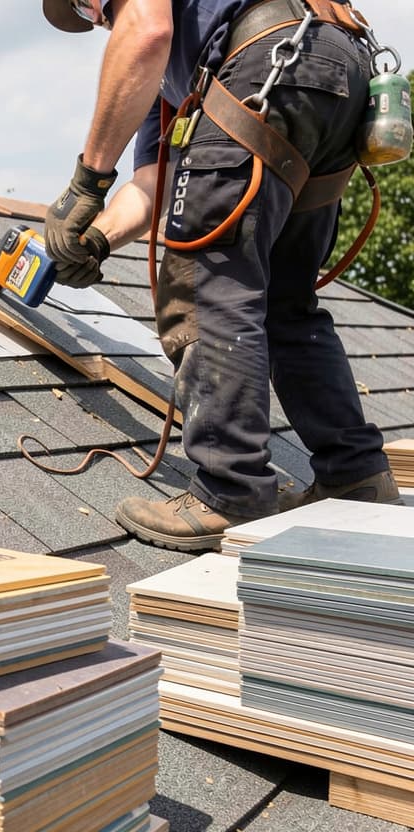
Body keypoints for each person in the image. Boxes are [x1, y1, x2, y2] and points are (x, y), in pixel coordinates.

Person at [41, 0, 401, 552]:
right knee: (284, 301)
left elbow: (146, 26)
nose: (100, 21)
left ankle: (229, 489)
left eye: (87, 9)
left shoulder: (154, 29)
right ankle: (355, 475)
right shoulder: (172, 79)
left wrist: (84, 184)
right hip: (326, 73)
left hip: (270, 63)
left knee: (209, 283)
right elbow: (151, 181)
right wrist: (95, 238)